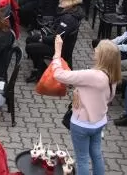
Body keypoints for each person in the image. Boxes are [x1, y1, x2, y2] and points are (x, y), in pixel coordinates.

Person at [51, 36, 122, 175]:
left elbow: (59, 74)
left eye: (98, 49)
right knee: (96, 155)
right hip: (99, 122)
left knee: (82, 159)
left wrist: (57, 52)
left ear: (103, 56)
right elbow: (109, 97)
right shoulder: (112, 74)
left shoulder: (92, 75)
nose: (94, 50)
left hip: (82, 124)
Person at [26, 0, 85, 81]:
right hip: (60, 42)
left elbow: (56, 38)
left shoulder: (69, 18)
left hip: (60, 48)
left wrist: (41, 38)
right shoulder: (73, 9)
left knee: (30, 46)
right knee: (30, 39)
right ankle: (39, 67)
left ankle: (42, 72)